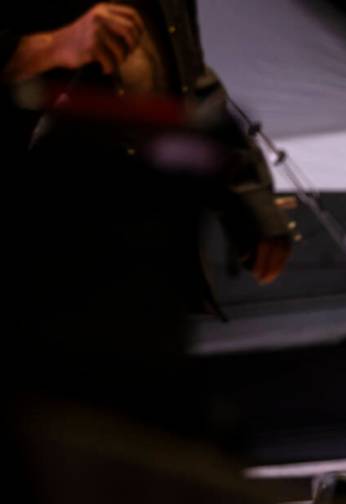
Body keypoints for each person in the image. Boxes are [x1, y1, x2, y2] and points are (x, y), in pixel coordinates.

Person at [2, 2, 292, 436]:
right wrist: (51, 46)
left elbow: (190, 79)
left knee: (144, 433)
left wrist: (252, 205)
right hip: (44, 252)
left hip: (146, 248)